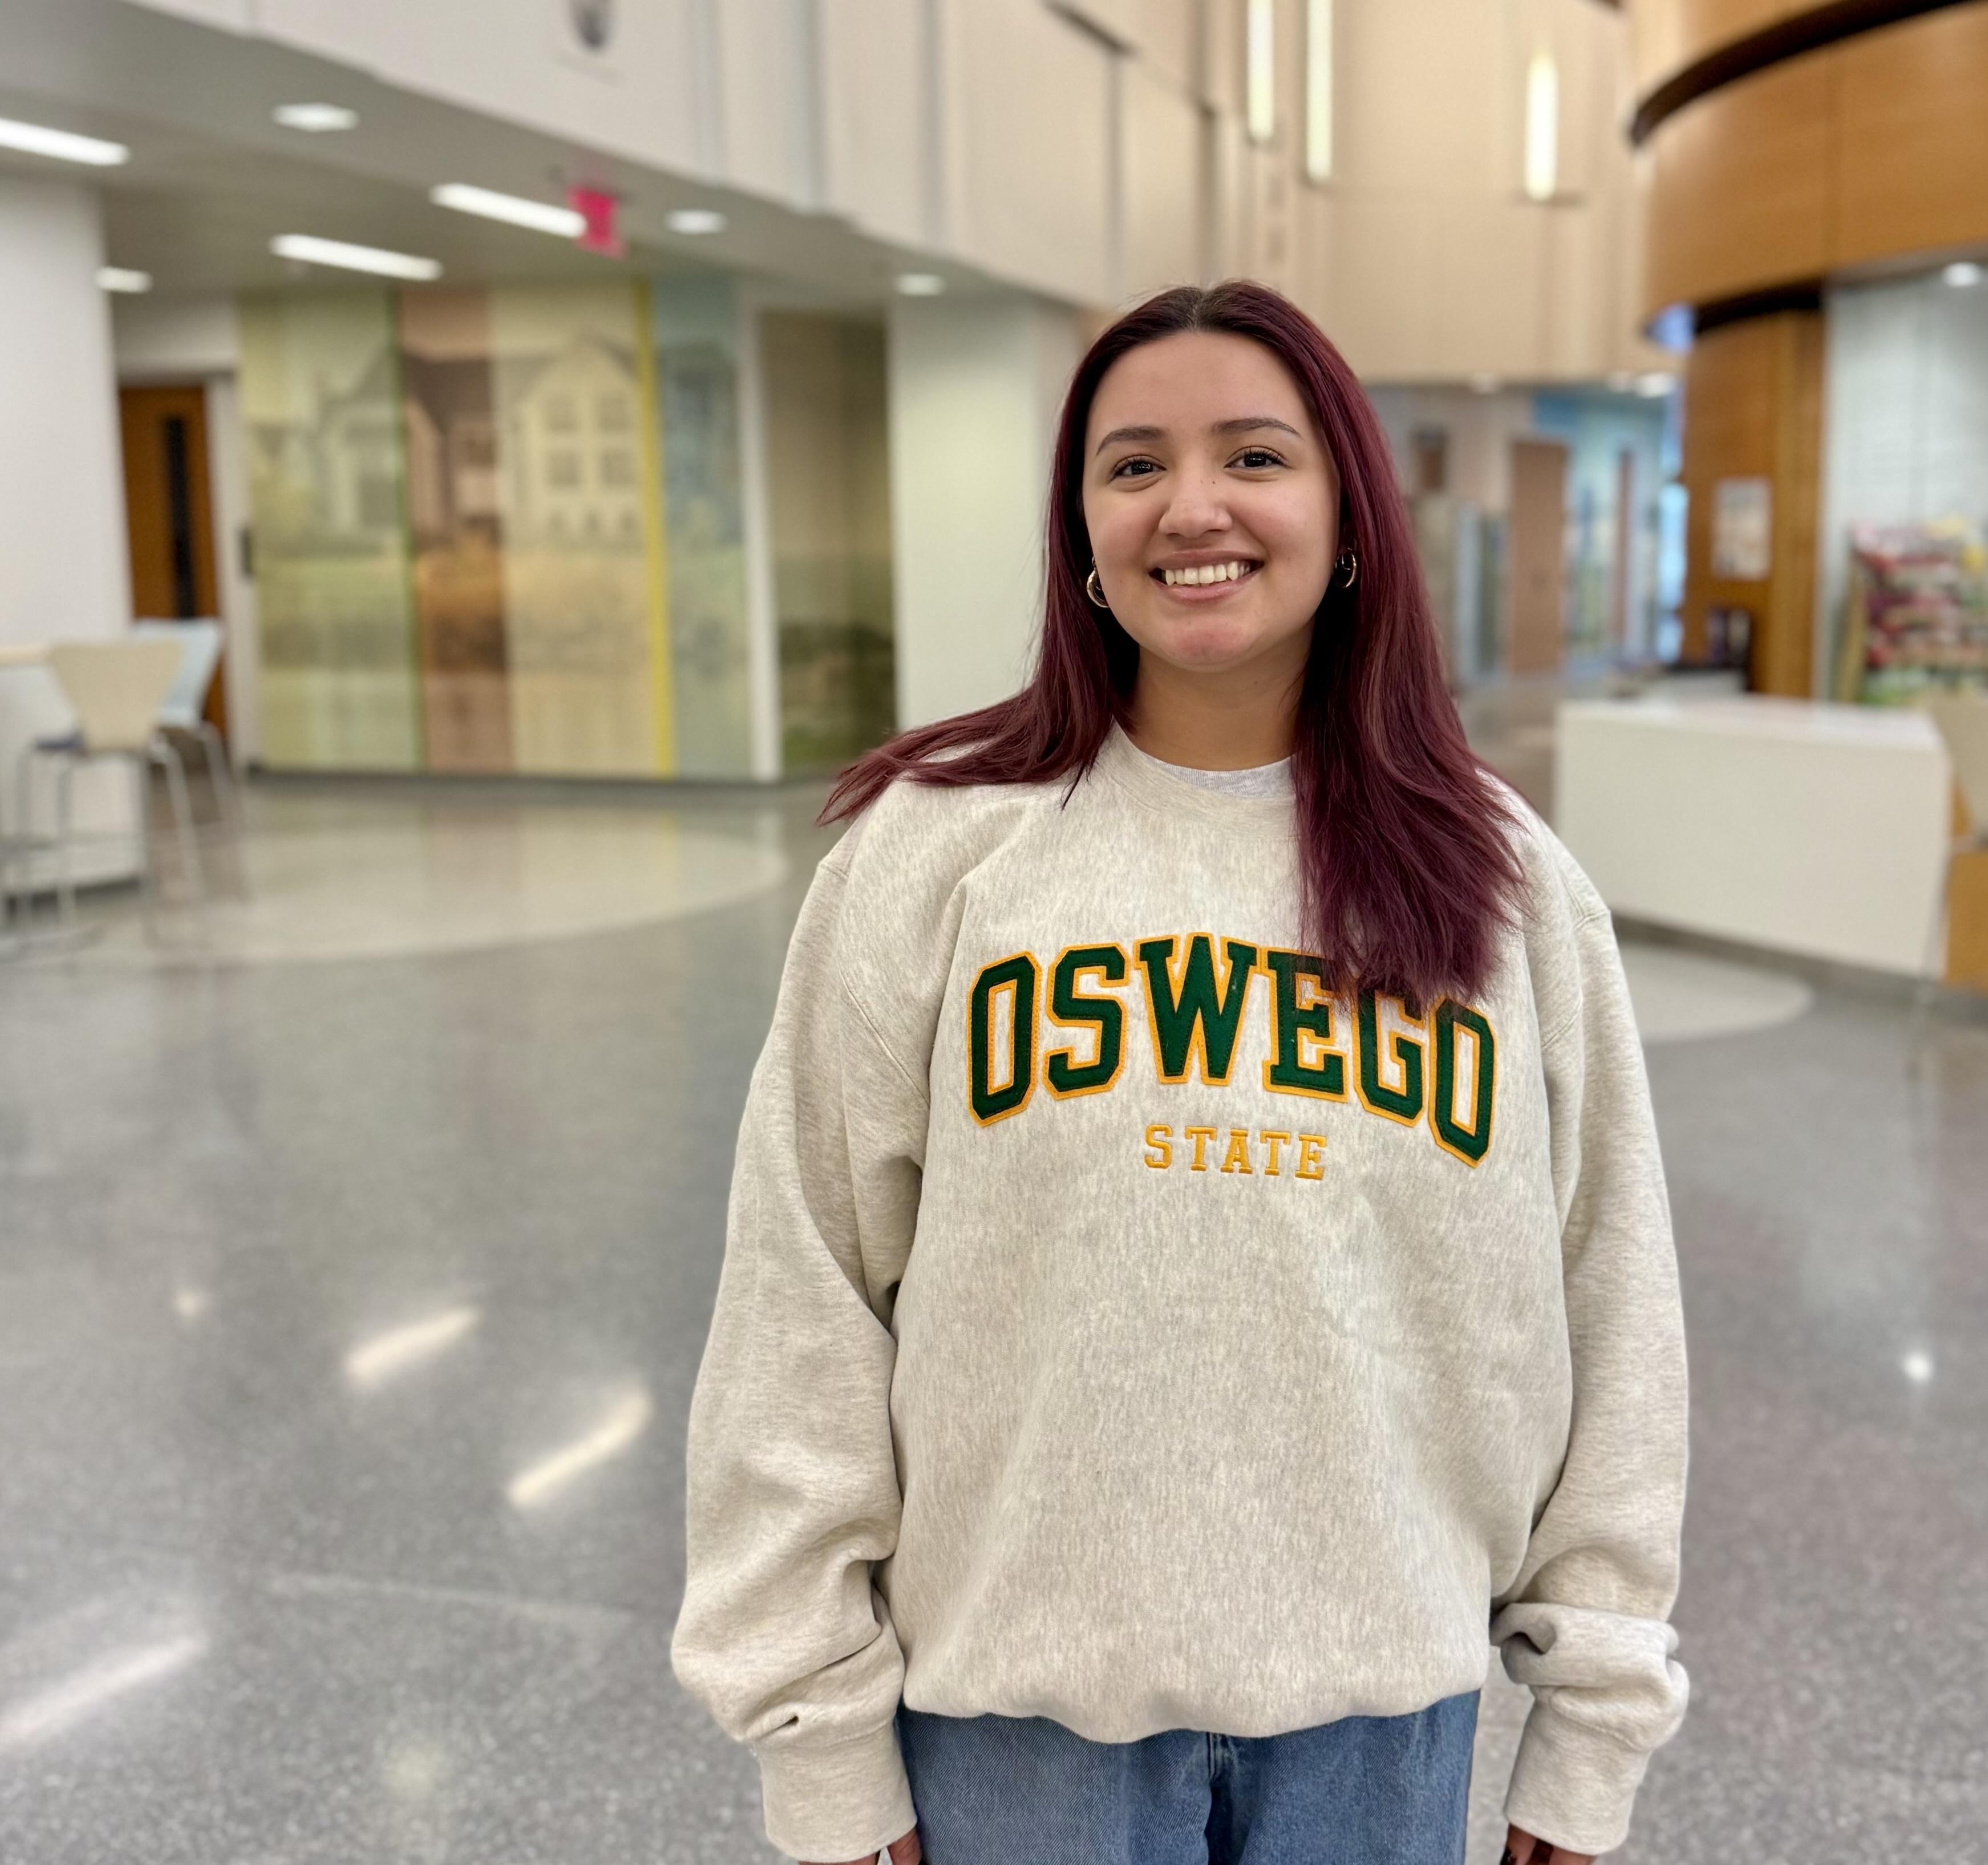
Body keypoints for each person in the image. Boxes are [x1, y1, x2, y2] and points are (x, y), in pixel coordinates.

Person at [671, 281, 1689, 1865]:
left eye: (1255, 456)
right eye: (1132, 463)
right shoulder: (936, 850)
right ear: (1080, 526)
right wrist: (814, 1730)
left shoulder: (1505, 882)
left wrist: (1595, 1715)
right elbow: (802, 1286)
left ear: (1348, 508)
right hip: (1013, 1719)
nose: (1191, 505)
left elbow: (1606, 1292)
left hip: (1383, 1715)